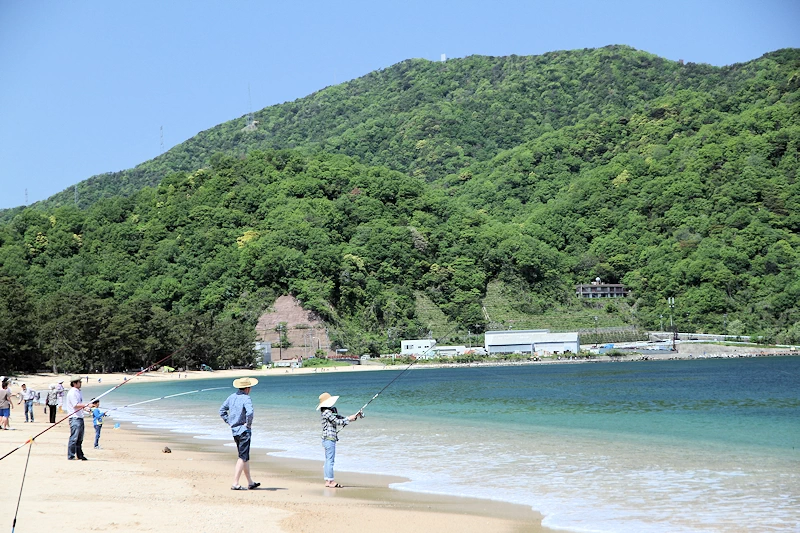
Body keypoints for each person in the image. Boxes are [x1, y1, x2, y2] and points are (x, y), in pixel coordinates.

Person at [219, 377, 260, 491]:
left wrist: (230, 422)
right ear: (247, 388)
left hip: (235, 431)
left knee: (245, 456)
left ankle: (250, 482)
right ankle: (235, 483)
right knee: (242, 457)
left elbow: (221, 411)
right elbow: (250, 412)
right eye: (250, 387)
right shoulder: (246, 398)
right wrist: (248, 424)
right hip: (243, 431)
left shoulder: (231, 397)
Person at [316, 392, 360, 488]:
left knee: (328, 460)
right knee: (330, 461)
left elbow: (339, 418)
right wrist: (348, 419)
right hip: (329, 438)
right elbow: (337, 421)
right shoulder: (327, 412)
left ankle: (328, 480)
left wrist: (350, 418)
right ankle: (330, 481)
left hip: (327, 439)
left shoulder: (327, 412)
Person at [62, 376, 88, 460]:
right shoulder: (72, 392)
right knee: (74, 438)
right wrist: (86, 404)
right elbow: (75, 405)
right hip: (74, 418)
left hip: (80, 417)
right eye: (79, 382)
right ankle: (71, 455)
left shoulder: (78, 392)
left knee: (80, 439)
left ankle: (80, 455)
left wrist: (87, 408)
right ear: (74, 383)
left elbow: (79, 404)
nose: (81, 383)